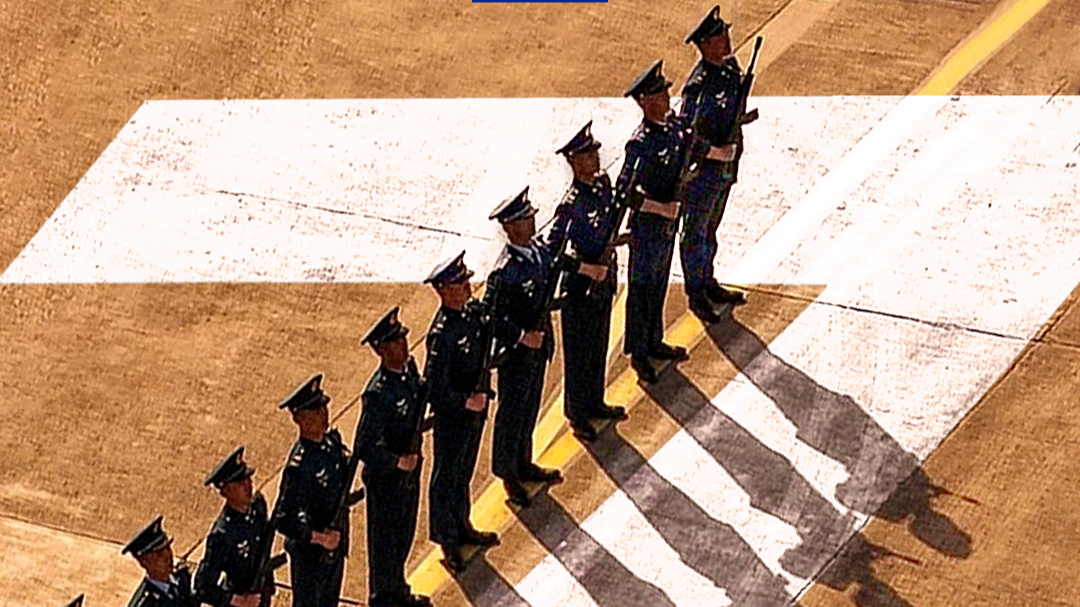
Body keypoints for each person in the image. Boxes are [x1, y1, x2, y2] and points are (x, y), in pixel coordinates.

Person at [422, 252, 505, 571]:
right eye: (460, 282)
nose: (468, 285)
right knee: (448, 474)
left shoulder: (470, 316)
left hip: (475, 409)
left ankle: (462, 525)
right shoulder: (442, 334)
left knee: (463, 471)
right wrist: (463, 402)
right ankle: (447, 539)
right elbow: (434, 385)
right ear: (444, 290)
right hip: (454, 416)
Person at [548, 120, 629, 441]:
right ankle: (577, 413)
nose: (594, 159)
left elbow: (606, 227)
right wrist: (585, 269)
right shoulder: (570, 204)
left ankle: (595, 401)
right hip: (581, 288)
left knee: (598, 345)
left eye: (594, 153)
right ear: (572, 162)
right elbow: (553, 253)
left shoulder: (602, 186)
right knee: (579, 353)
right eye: (586, 156)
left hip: (604, 280)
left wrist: (619, 241)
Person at [484, 187, 565, 506]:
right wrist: (520, 336)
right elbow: (492, 315)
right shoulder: (505, 272)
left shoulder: (538, 252)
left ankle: (523, 461)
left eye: (531, 216)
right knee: (512, 413)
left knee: (530, 407)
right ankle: (508, 475)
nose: (532, 222)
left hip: (538, 347)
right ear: (510, 228)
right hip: (516, 354)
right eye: (525, 219)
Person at [677, 5, 758, 322]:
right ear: (705, 45)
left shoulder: (729, 67)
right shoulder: (699, 84)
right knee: (695, 232)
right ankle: (696, 293)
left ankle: (708, 281)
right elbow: (686, 133)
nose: (728, 41)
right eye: (721, 37)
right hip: (704, 172)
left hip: (727, 166)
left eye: (727, 34)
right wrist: (713, 152)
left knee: (711, 229)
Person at [618, 60, 691, 384]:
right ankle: (639, 353)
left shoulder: (673, 128)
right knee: (642, 289)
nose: (666, 99)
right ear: (644, 102)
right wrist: (660, 209)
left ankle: (654, 340)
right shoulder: (640, 142)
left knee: (659, 283)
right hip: (648, 227)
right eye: (659, 95)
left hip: (666, 226)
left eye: (665, 93)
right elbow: (625, 192)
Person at [356, 307, 430, 607]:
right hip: (387, 480)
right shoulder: (377, 393)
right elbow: (365, 445)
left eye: (402, 338)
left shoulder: (409, 371)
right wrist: (397, 462)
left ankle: (397, 591)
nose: (403, 344)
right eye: (395, 341)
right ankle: (383, 599)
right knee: (385, 546)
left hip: (409, 470)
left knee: (403, 537)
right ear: (381, 349)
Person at [273, 374, 358, 607]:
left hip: (335, 545)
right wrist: (319, 538)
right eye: (315, 412)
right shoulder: (299, 466)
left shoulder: (330, 446)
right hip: (311, 555)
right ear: (299, 418)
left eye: (323, 408)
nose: (324, 415)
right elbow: (284, 518)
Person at [194, 446, 276, 607]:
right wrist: (238, 600)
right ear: (225, 491)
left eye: (247, 479)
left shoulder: (258, 507)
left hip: (262, 595)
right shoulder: (222, 534)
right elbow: (203, 585)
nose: (248, 485)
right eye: (239, 483)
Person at [121, 516, 195, 607]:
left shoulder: (182, 579)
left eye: (168, 548)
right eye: (159, 554)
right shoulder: (147, 603)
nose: (168, 556)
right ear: (143, 561)